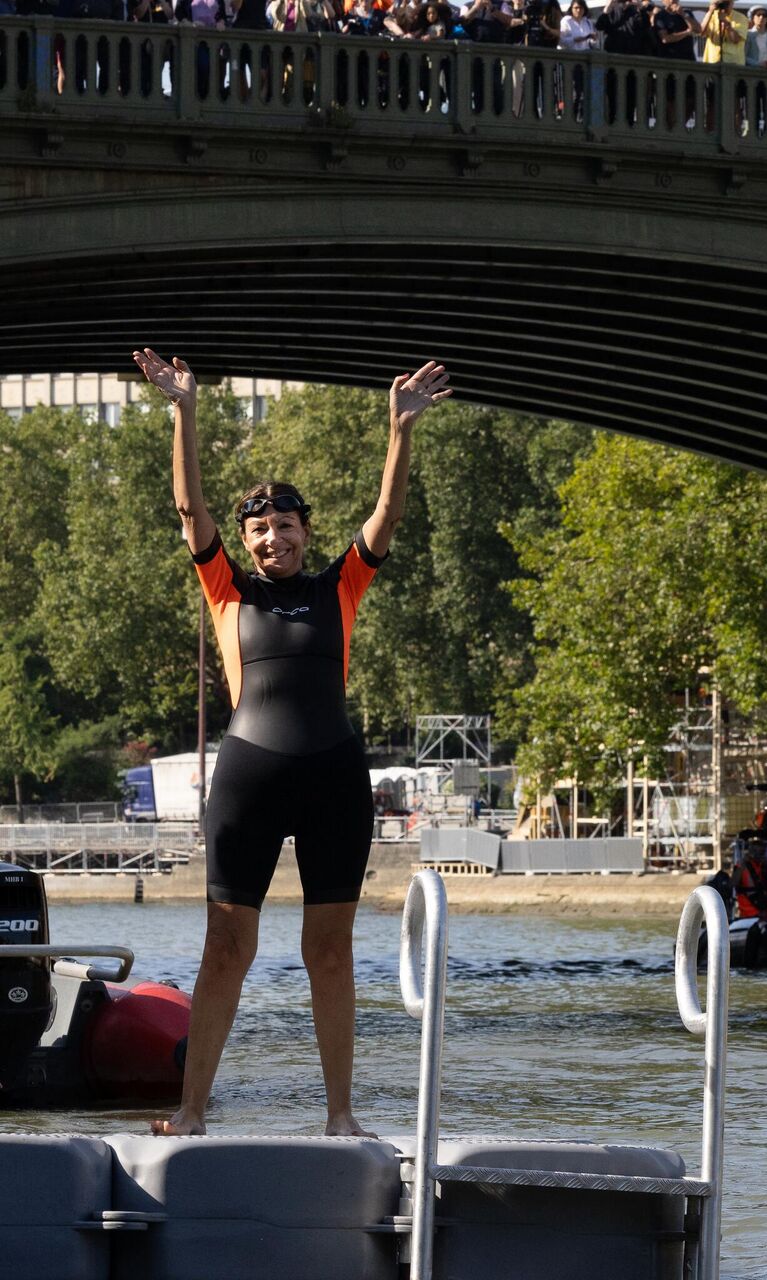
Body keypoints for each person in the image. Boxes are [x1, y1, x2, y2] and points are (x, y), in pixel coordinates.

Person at [132, 349, 451, 1138]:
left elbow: (388, 517)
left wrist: (399, 431)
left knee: (329, 953)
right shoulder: (225, 587)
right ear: (243, 542)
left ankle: (340, 1115)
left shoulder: (339, 585)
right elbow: (186, 509)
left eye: (285, 525)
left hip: (333, 778)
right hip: (248, 780)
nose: (273, 538)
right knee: (225, 948)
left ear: (306, 532)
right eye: (260, 529)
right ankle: (194, 1109)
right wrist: (183, 410)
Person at [733, 837, 767, 919]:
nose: (757, 855)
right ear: (749, 852)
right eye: (754, 852)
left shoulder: (766, 866)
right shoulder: (741, 866)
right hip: (749, 914)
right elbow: (733, 884)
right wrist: (742, 865)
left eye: (760, 852)